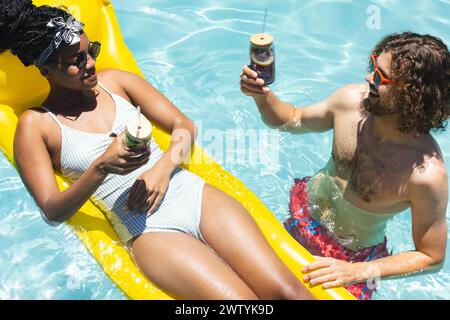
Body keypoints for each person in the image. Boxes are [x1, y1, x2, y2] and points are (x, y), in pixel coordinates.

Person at [1, 0, 315, 300]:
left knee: (290, 294)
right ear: (46, 71)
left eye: (91, 51)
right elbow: (53, 210)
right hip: (148, 230)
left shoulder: (117, 82)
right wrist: (102, 166)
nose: (91, 64)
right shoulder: (37, 125)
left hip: (191, 194)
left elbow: (185, 126)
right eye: (76, 61)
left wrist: (162, 170)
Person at [240, 31, 449, 299]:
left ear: (414, 95)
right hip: (303, 215)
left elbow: (431, 256)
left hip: (350, 257)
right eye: (373, 64)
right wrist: (261, 96)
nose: (368, 78)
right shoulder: (350, 102)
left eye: (380, 76)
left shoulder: (425, 175)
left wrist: (358, 271)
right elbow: (292, 119)